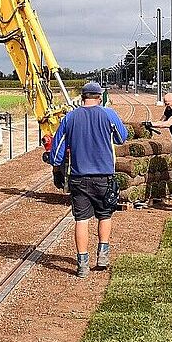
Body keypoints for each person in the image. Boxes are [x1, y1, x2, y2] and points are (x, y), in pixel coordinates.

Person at [48, 81, 128, 277]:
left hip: (79, 177)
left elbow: (57, 150)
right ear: (99, 97)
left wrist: (56, 167)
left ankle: (82, 263)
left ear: (82, 97)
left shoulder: (70, 117)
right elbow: (121, 138)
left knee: (81, 220)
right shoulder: (108, 114)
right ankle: (102, 254)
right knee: (105, 215)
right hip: (104, 177)